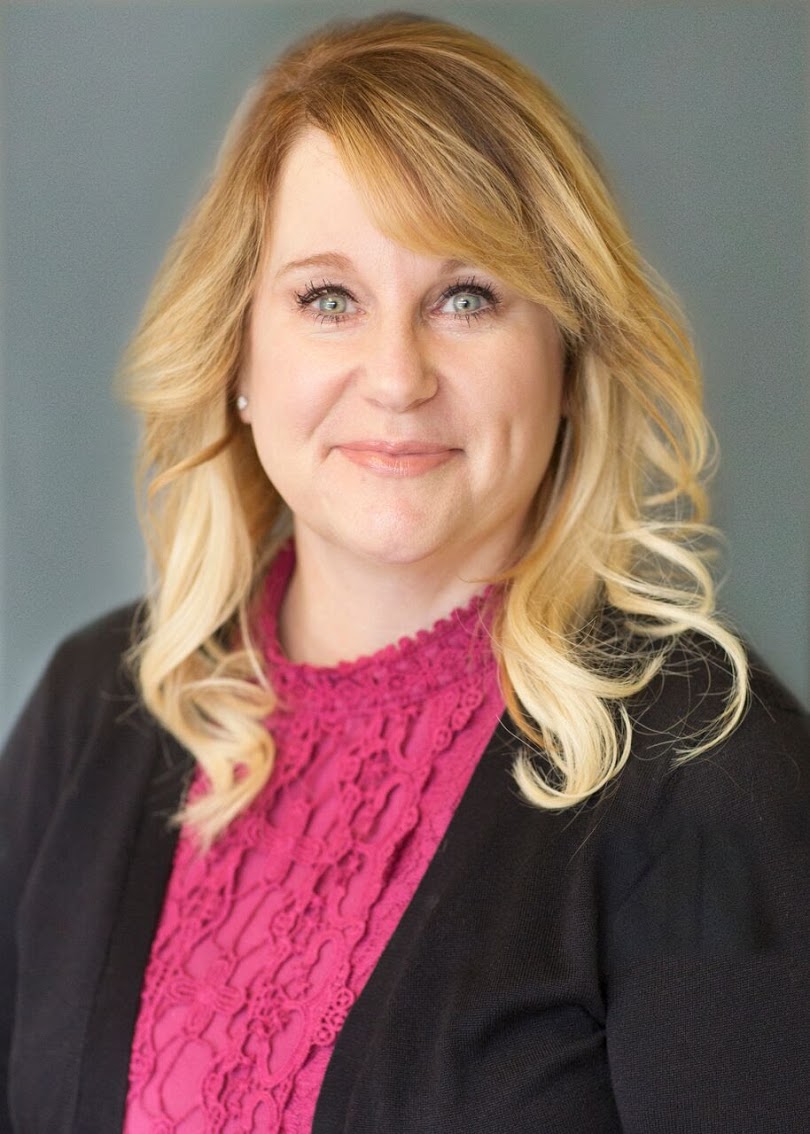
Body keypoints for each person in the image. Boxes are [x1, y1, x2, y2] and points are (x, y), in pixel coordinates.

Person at [1, 11, 809, 1133]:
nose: (395, 376)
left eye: (466, 296)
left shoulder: (710, 770)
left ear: (568, 361)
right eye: (328, 298)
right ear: (239, 354)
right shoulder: (92, 712)